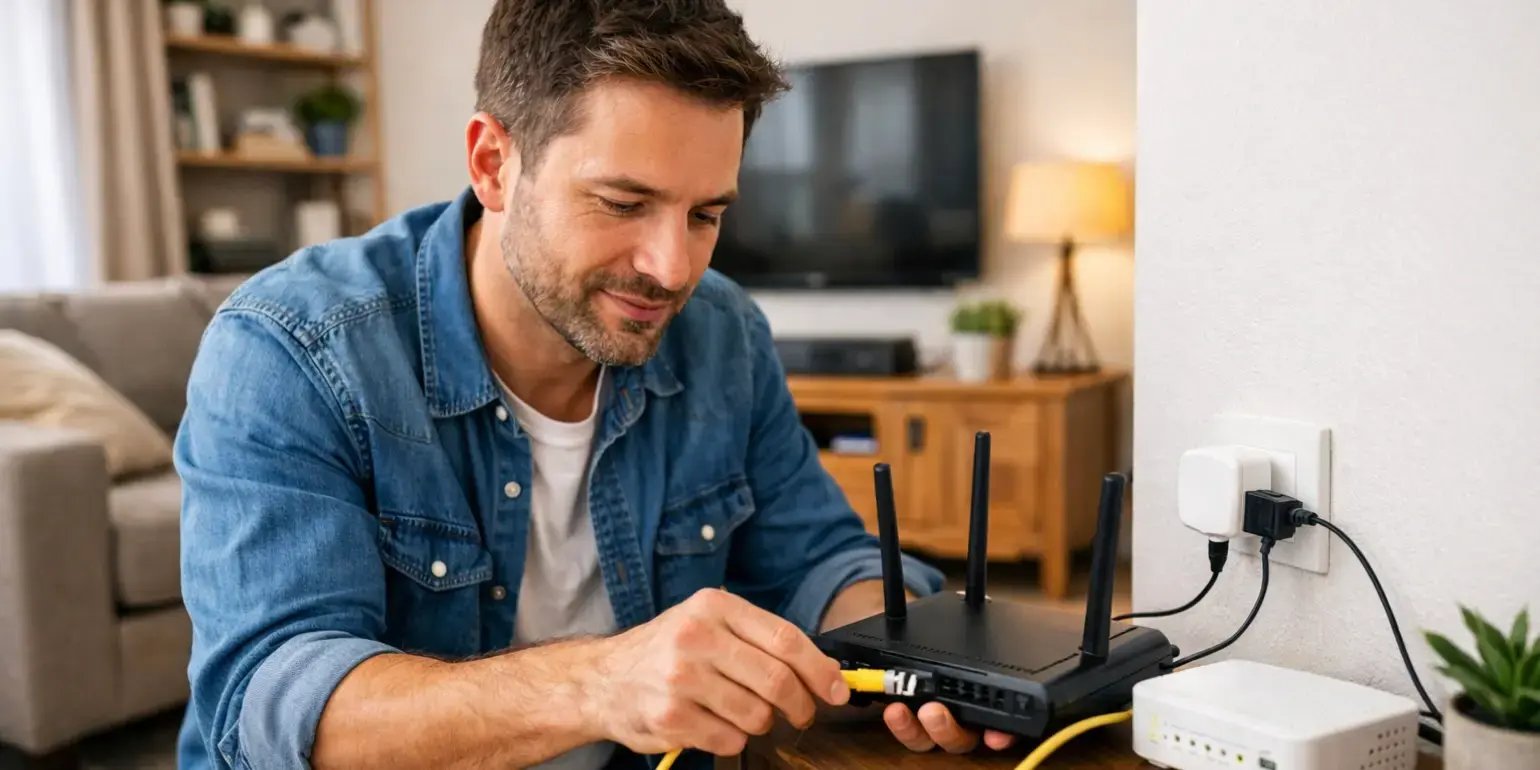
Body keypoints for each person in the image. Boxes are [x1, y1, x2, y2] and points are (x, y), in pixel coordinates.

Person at [175, 1, 1015, 767]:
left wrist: (911, 654)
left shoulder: (722, 332)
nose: (672, 267)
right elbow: (273, 713)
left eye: (707, 215)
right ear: (493, 162)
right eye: (622, 203)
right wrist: (599, 684)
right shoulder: (290, 349)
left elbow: (819, 560)